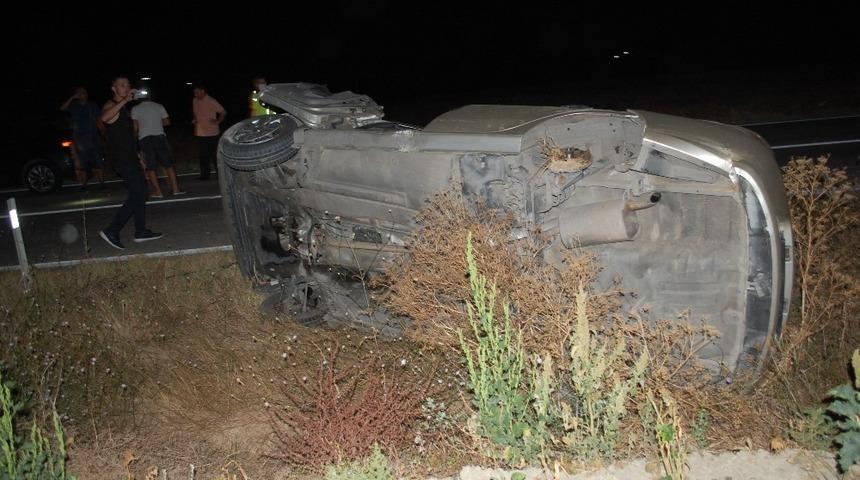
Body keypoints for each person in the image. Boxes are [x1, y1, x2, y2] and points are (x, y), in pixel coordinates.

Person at [98, 76, 162, 250]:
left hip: (130, 158)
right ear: (113, 88)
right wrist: (124, 100)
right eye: (122, 85)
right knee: (139, 193)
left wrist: (138, 156)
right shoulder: (111, 105)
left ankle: (140, 231)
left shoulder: (125, 109)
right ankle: (112, 230)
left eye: (128, 85)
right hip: (122, 160)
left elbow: (126, 137)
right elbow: (105, 118)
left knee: (141, 192)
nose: (127, 88)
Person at [131, 93, 185, 197]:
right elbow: (167, 122)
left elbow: (135, 128)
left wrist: (135, 141)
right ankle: (176, 189)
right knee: (168, 165)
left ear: (138, 98)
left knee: (151, 167)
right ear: (149, 96)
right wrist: (156, 122)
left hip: (145, 139)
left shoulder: (135, 109)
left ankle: (158, 192)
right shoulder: (159, 106)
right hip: (160, 137)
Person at [60, 87, 105, 190]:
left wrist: (103, 131)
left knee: (98, 160)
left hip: (93, 136)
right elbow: (62, 108)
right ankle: (84, 185)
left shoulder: (92, 105)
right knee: (82, 162)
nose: (82, 94)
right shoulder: (74, 105)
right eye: (79, 93)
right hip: (80, 138)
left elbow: (98, 119)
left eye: (84, 92)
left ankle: (102, 183)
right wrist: (72, 98)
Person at [191, 84, 226, 180]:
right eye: (194, 92)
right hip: (200, 132)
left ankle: (220, 175)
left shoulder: (211, 101)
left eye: (197, 92)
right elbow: (195, 113)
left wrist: (218, 121)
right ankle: (205, 175)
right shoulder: (195, 101)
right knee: (202, 155)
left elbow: (223, 112)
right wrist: (194, 119)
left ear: (203, 91)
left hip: (212, 133)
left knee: (214, 155)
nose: (195, 94)